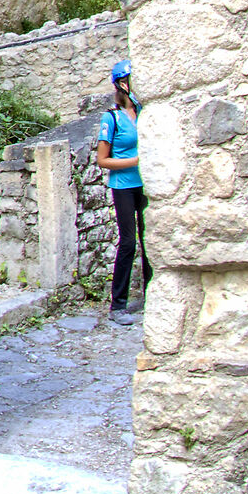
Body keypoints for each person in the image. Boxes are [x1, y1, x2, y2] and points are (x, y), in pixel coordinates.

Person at [95, 59, 151, 324]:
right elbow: (102, 160)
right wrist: (136, 162)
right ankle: (118, 305)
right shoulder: (112, 117)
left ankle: (153, 295)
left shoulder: (142, 110)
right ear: (121, 84)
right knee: (129, 241)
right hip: (124, 186)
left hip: (147, 183)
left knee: (150, 239)